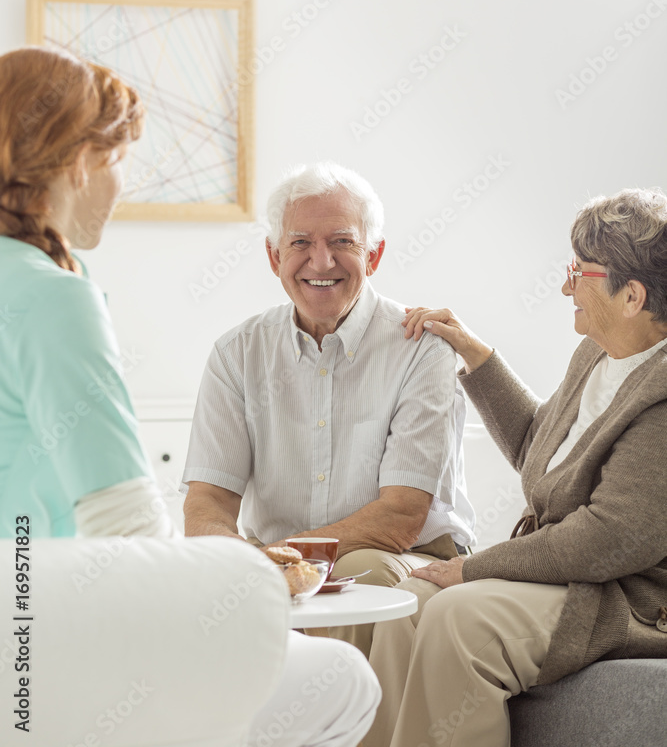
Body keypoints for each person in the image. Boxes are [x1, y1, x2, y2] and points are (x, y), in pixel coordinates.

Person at [0, 47, 380, 747]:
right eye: (119, 159)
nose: (121, 184)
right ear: (78, 161)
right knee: (342, 681)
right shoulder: (55, 298)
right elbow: (125, 527)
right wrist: (240, 579)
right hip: (36, 631)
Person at [364, 187, 667, 747]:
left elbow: (607, 538)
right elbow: (539, 449)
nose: (565, 286)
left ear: (632, 296)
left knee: (459, 618)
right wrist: (475, 353)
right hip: (571, 578)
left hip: (627, 598)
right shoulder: (600, 354)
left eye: (579, 272)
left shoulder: (661, 394)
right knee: (405, 607)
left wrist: (475, 568)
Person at [182, 161, 475, 656]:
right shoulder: (237, 354)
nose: (321, 262)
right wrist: (242, 560)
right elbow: (207, 503)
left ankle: (340, 708)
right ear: (274, 256)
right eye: (300, 242)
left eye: (342, 241)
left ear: (373, 255)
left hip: (408, 555)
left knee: (364, 573)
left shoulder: (422, 348)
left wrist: (281, 561)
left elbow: (401, 517)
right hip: (277, 563)